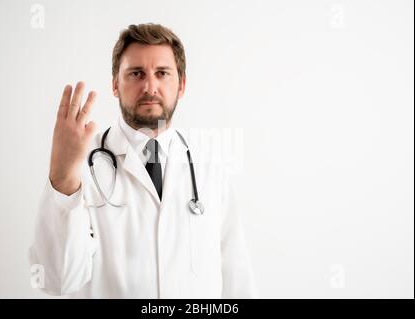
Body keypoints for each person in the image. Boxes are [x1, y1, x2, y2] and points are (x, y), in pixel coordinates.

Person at [29, 23, 257, 298]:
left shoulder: (208, 165)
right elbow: (57, 280)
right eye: (136, 74)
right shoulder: (81, 168)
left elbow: (236, 278)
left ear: (181, 85)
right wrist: (63, 175)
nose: (150, 86)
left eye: (162, 73)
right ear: (115, 84)